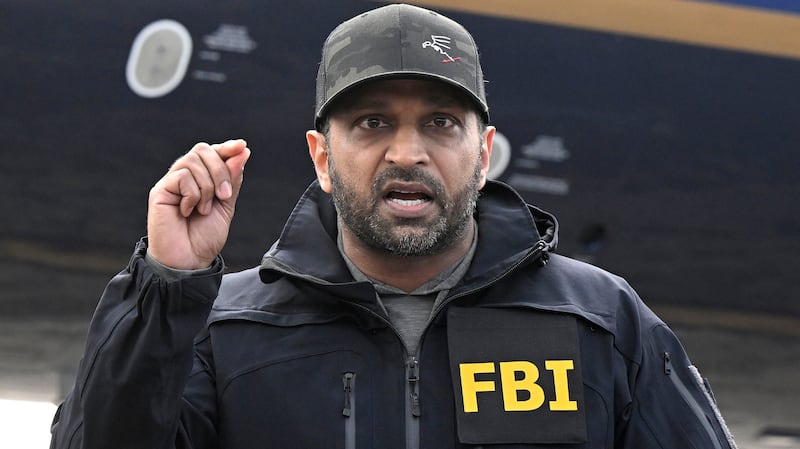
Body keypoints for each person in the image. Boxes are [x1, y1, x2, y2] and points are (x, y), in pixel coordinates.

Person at [50, 3, 738, 448]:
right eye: (372, 122)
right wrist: (168, 286)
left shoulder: (601, 323)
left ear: (483, 149)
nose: (406, 153)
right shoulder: (223, 332)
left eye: (440, 123)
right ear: (322, 155)